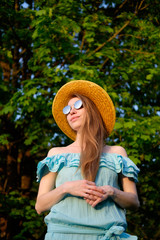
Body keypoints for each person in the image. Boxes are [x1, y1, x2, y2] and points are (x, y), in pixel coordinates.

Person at [35, 80, 140, 240]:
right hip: (63, 235)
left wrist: (111, 192)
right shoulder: (56, 154)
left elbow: (134, 202)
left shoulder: (117, 153)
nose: (71, 112)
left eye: (78, 105)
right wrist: (66, 188)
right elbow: (40, 205)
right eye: (67, 109)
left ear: (93, 110)